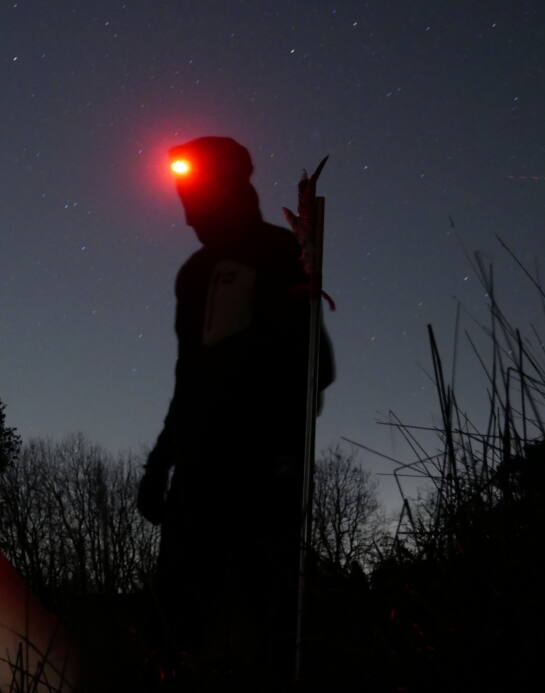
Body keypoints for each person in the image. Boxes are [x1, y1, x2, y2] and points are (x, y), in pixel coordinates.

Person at [138, 136, 334, 687]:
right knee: (174, 624)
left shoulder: (278, 252)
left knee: (268, 623)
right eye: (182, 195)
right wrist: (160, 466)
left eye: (194, 193)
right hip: (197, 477)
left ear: (229, 187)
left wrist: (284, 455)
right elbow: (188, 376)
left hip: (260, 471)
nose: (187, 208)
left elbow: (312, 361)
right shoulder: (195, 273)